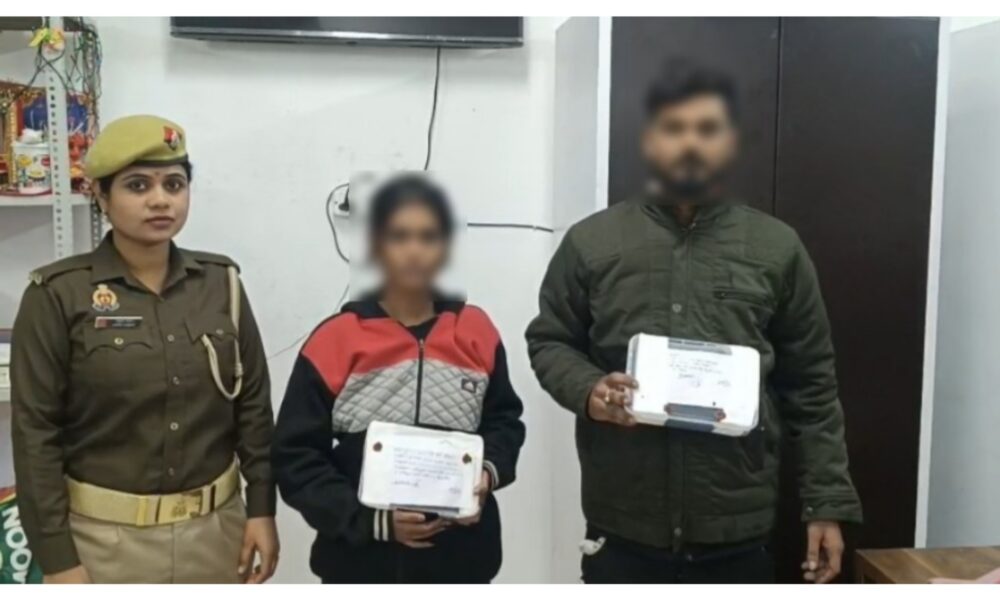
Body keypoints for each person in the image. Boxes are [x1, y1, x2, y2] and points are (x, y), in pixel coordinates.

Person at [525, 60, 862, 584]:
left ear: (730, 143)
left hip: (738, 529)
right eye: (674, 128)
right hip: (623, 524)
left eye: (707, 129)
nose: (690, 143)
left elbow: (812, 386)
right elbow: (549, 340)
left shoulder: (776, 248)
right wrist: (589, 390)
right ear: (649, 140)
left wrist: (826, 504)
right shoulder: (592, 243)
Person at [10, 115, 279, 584]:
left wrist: (261, 508)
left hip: (216, 533)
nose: (160, 200)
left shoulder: (222, 284)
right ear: (100, 195)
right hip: (102, 542)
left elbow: (253, 408)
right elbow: (36, 434)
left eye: (174, 184)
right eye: (137, 186)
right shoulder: (58, 295)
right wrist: (57, 560)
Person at [272, 174, 526, 583]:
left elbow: (504, 422)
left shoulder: (476, 331)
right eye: (399, 236)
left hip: (463, 561)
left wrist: (487, 472)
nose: (414, 251)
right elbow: (296, 456)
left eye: (428, 237)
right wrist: (368, 521)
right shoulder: (335, 340)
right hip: (358, 563)